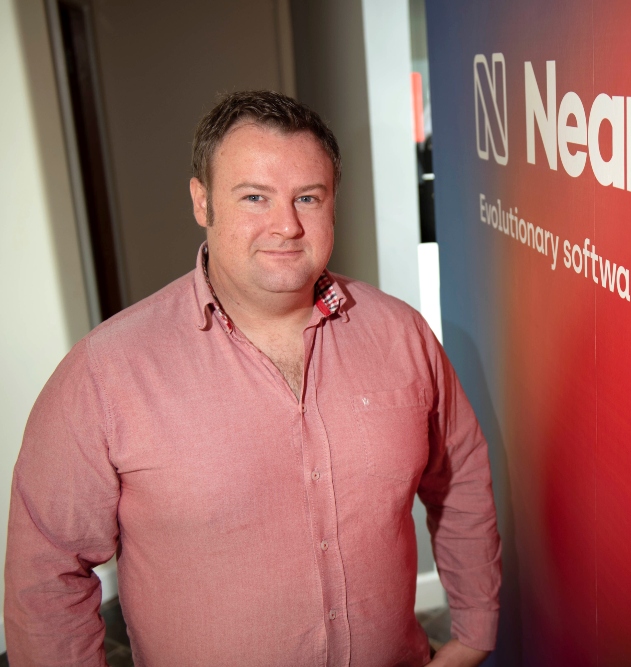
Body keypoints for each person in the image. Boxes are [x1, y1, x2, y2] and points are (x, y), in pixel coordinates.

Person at [4, 91, 501, 666]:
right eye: (255, 197)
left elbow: (459, 477)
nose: (286, 225)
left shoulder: (400, 334)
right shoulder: (105, 372)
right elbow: (47, 574)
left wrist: (472, 632)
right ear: (202, 201)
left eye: (307, 197)